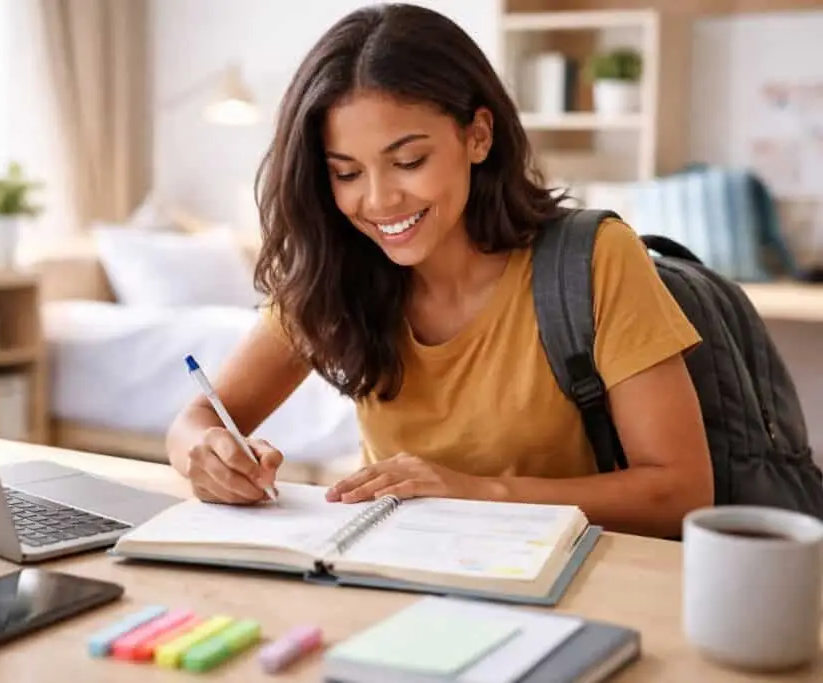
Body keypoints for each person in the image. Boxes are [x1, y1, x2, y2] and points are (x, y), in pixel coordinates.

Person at [165, 3, 713, 539]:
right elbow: (197, 419)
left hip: (564, 587)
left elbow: (680, 493)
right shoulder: (337, 274)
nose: (379, 200)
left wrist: (477, 492)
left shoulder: (595, 258)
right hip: (398, 577)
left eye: (408, 162)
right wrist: (207, 459)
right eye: (347, 172)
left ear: (478, 135)